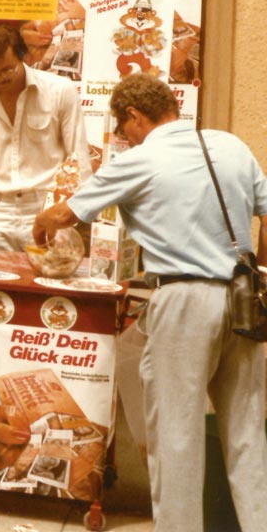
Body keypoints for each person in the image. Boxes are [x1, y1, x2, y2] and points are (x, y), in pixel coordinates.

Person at [33, 73, 267, 532]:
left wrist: (39, 227)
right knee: (248, 434)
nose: (124, 138)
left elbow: (65, 214)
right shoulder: (230, 146)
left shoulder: (141, 159)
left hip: (183, 300)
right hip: (244, 297)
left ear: (135, 117)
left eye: (124, 129)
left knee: (176, 436)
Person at [0, 24, 90, 254]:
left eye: (7, 70)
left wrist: (67, 218)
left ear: (23, 58)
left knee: (47, 286)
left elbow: (77, 159)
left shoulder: (60, 91)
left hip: (46, 208)